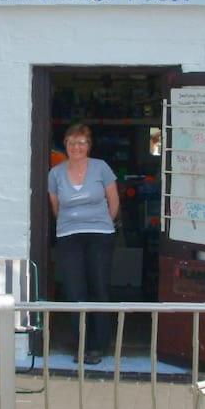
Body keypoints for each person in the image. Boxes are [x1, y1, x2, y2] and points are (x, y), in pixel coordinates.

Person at [48, 124, 120, 365]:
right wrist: (72, 224)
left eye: (81, 142)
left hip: (99, 234)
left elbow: (114, 201)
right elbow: (56, 207)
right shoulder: (56, 173)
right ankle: (82, 345)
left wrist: (102, 223)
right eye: (71, 142)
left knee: (99, 288)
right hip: (69, 236)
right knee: (75, 291)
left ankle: (98, 346)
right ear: (65, 146)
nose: (76, 147)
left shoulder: (101, 167)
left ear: (89, 146)